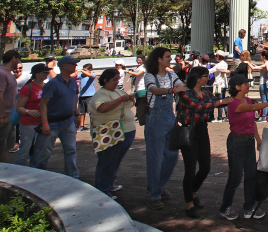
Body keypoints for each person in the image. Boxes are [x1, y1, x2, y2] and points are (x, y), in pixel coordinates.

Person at [220, 73, 268, 220]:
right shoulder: (234, 103)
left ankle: (249, 206)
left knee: (251, 175)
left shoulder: (246, 99)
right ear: (237, 87)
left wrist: (258, 139)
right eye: (245, 83)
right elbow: (252, 107)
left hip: (248, 141)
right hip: (236, 142)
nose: (248, 85)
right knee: (235, 177)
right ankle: (225, 207)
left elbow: (252, 122)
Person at [174, 67, 227, 218]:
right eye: (206, 76)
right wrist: (219, 103)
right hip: (189, 131)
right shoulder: (186, 92)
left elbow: (216, 101)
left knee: (205, 167)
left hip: (202, 130)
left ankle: (192, 191)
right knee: (190, 169)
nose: (208, 78)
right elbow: (198, 107)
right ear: (198, 78)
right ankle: (189, 203)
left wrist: (230, 100)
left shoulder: (205, 92)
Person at [143, 47, 188, 209]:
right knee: (154, 158)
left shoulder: (171, 74)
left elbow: (181, 84)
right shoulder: (149, 76)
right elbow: (154, 90)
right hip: (155, 118)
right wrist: (174, 90)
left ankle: (157, 185)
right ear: (159, 59)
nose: (171, 59)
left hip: (170, 117)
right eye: (168, 56)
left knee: (172, 156)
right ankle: (154, 195)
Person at [90, 68, 136, 198]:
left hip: (124, 131)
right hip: (109, 131)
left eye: (118, 79)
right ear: (105, 80)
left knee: (114, 161)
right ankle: (103, 189)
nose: (117, 82)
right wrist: (122, 99)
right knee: (107, 162)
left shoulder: (117, 91)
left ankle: (108, 184)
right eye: (114, 79)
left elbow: (129, 103)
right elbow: (102, 108)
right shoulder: (101, 94)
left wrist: (129, 99)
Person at [36, 55, 81, 177]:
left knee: (71, 150)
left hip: (68, 121)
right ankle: (40, 175)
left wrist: (77, 114)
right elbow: (43, 104)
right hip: (52, 123)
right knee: (44, 153)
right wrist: (45, 123)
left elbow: (74, 99)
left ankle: (73, 176)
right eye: (73, 64)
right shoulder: (53, 84)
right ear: (64, 66)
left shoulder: (72, 81)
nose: (75, 66)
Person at [15, 64, 49, 167]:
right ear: (37, 74)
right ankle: (21, 171)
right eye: (44, 72)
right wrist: (28, 111)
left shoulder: (47, 87)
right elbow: (19, 107)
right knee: (25, 149)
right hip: (28, 123)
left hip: (42, 122)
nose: (47, 74)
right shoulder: (28, 87)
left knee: (39, 150)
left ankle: (35, 170)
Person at [253, 51, 268, 122]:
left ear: (264, 57)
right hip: (267, 82)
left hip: (263, 83)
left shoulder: (266, 64)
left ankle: (264, 117)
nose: (260, 57)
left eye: (261, 56)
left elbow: (256, 68)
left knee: (264, 100)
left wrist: (248, 63)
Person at [77, 63, 98, 131]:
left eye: (85, 70)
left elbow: (90, 75)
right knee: (82, 112)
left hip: (90, 96)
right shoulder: (81, 76)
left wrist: (82, 71)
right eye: (83, 70)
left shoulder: (92, 75)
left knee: (91, 112)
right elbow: (74, 77)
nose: (84, 72)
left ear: (90, 70)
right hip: (82, 95)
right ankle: (81, 126)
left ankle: (92, 126)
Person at [212, 51, 231, 122]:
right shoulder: (224, 64)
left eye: (216, 56)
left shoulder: (218, 65)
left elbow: (211, 70)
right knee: (223, 100)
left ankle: (219, 117)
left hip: (219, 84)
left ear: (219, 56)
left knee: (220, 101)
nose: (215, 57)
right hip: (223, 84)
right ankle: (227, 116)